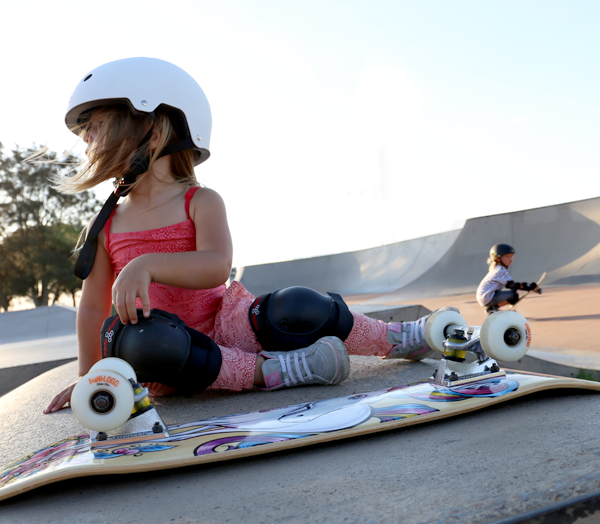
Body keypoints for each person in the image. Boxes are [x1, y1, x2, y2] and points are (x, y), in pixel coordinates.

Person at [44, 57, 456, 413]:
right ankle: (275, 372)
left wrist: (145, 264)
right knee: (139, 338)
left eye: (95, 128)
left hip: (225, 326)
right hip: (170, 355)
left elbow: (216, 266)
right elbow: (93, 307)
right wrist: (89, 374)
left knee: (298, 304)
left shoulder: (200, 201)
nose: (87, 145)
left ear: (153, 130)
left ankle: (399, 338)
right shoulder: (107, 224)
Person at [476, 244, 538, 315]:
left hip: (486, 296)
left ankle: (493, 308)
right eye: (507, 256)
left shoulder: (498, 268)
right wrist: (529, 286)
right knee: (513, 296)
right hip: (487, 297)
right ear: (498, 259)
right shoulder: (500, 270)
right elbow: (511, 285)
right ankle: (492, 308)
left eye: (511, 256)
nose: (510, 259)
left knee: (514, 290)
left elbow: (512, 284)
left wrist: (529, 287)